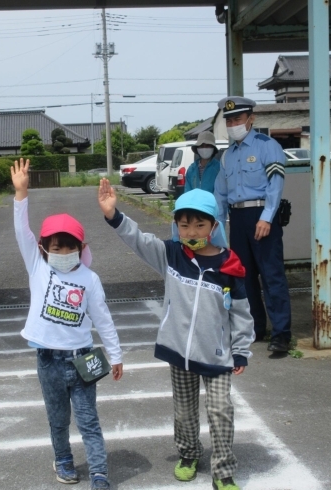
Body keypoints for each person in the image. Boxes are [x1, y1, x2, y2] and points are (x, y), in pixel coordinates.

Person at [98, 181, 254, 490]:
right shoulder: (171, 254)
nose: (192, 231)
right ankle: (188, 454)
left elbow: (240, 313)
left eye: (199, 225)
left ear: (213, 225)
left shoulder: (229, 264)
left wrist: (241, 350)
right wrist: (114, 214)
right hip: (179, 351)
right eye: (184, 225)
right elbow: (138, 240)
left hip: (217, 354)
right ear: (176, 226)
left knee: (221, 409)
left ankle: (223, 471)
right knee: (184, 413)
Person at [11, 158, 123, 490]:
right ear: (44, 249)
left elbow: (103, 319)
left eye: (69, 246)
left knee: (89, 421)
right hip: (48, 360)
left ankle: (100, 473)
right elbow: (22, 230)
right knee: (58, 421)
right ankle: (63, 461)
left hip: (82, 358)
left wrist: (115, 355)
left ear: (80, 248)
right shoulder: (38, 266)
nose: (62, 251)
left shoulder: (89, 279)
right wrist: (20, 194)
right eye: (55, 247)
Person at [213, 96, 292, 353]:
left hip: (261, 215)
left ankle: (281, 334)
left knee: (272, 277)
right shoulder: (227, 155)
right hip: (237, 218)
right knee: (243, 278)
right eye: (229, 120)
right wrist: (217, 223)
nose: (233, 124)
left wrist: (267, 217)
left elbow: (276, 185)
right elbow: (221, 192)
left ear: (251, 119)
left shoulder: (267, 146)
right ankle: (256, 328)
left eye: (237, 119)